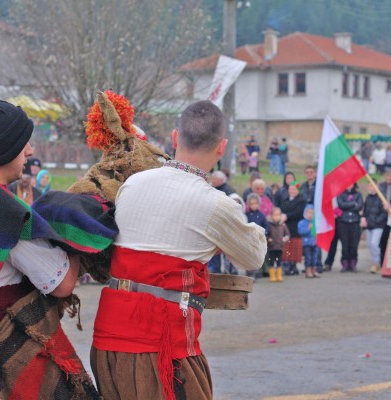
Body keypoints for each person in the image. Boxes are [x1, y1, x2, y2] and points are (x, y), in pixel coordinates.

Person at [0, 99, 114, 398]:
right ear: (2, 149)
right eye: (22, 143)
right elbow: (62, 284)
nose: (30, 152)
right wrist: (73, 228)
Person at [90, 100, 267, 400]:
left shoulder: (132, 185)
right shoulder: (216, 204)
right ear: (222, 147)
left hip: (106, 344)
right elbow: (254, 256)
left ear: (175, 138)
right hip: (163, 350)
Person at [279, 182, 307, 276]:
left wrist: (287, 215)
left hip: (295, 226)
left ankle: (293, 266)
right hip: (286, 227)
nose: (292, 191)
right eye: (290, 189)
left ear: (297, 190)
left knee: (294, 247)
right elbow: (282, 209)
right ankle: (287, 265)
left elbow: (299, 212)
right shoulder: (285, 200)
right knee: (287, 246)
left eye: (294, 189)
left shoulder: (302, 200)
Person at [361, 179, 386, 273]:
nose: (370, 188)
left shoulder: (381, 197)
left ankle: (377, 263)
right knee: (369, 244)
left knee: (374, 244)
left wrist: (376, 221)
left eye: (371, 186)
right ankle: (374, 262)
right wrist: (363, 218)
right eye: (369, 186)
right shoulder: (368, 197)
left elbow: (384, 213)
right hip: (369, 225)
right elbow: (365, 210)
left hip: (378, 225)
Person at [337, 183, 363, 272]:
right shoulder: (341, 194)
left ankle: (353, 262)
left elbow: (359, 206)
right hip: (344, 221)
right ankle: (345, 262)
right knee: (345, 244)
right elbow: (341, 205)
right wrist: (353, 204)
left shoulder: (358, 194)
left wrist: (347, 205)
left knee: (354, 244)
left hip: (355, 222)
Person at [378, 168, 391, 266]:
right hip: (382, 217)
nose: (390, 178)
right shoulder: (381, 186)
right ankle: (382, 262)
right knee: (382, 241)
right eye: (388, 175)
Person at [298, 204, 323, 278]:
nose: (310, 215)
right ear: (305, 213)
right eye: (309, 213)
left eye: (312, 213)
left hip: (315, 243)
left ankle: (314, 270)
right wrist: (308, 228)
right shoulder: (302, 223)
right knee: (308, 258)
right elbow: (301, 232)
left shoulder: (316, 222)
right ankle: (308, 271)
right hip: (306, 244)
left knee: (315, 257)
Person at [266, 207, 290, 282]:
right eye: (274, 215)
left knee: (279, 261)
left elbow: (287, 234)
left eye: (278, 215)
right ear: (271, 216)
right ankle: (272, 275)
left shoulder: (283, 225)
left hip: (280, 247)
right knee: (271, 261)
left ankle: (279, 275)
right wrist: (268, 238)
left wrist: (285, 238)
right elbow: (265, 234)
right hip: (271, 247)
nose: (276, 217)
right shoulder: (269, 225)